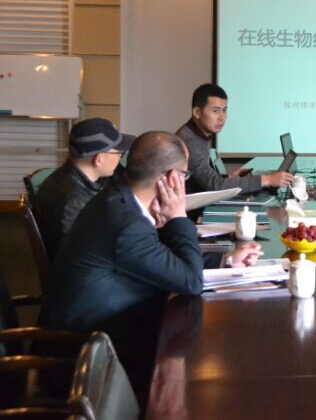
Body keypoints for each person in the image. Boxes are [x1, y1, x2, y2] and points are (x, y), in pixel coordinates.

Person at [43, 131, 261, 393]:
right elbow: (191, 282)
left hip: (103, 330)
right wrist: (178, 216)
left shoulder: (119, 197)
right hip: (87, 358)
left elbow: (161, 258)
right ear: (171, 178)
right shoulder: (127, 223)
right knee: (213, 357)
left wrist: (225, 259)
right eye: (184, 175)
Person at [34, 118, 136, 262]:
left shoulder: (66, 177)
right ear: (98, 159)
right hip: (77, 268)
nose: (120, 157)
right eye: (119, 153)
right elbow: (82, 254)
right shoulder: (73, 201)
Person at [176, 83, 292, 194]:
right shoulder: (189, 141)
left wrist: (228, 177)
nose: (221, 117)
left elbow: (204, 182)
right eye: (215, 111)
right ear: (197, 112)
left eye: (224, 110)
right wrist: (267, 180)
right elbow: (215, 186)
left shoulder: (197, 134)